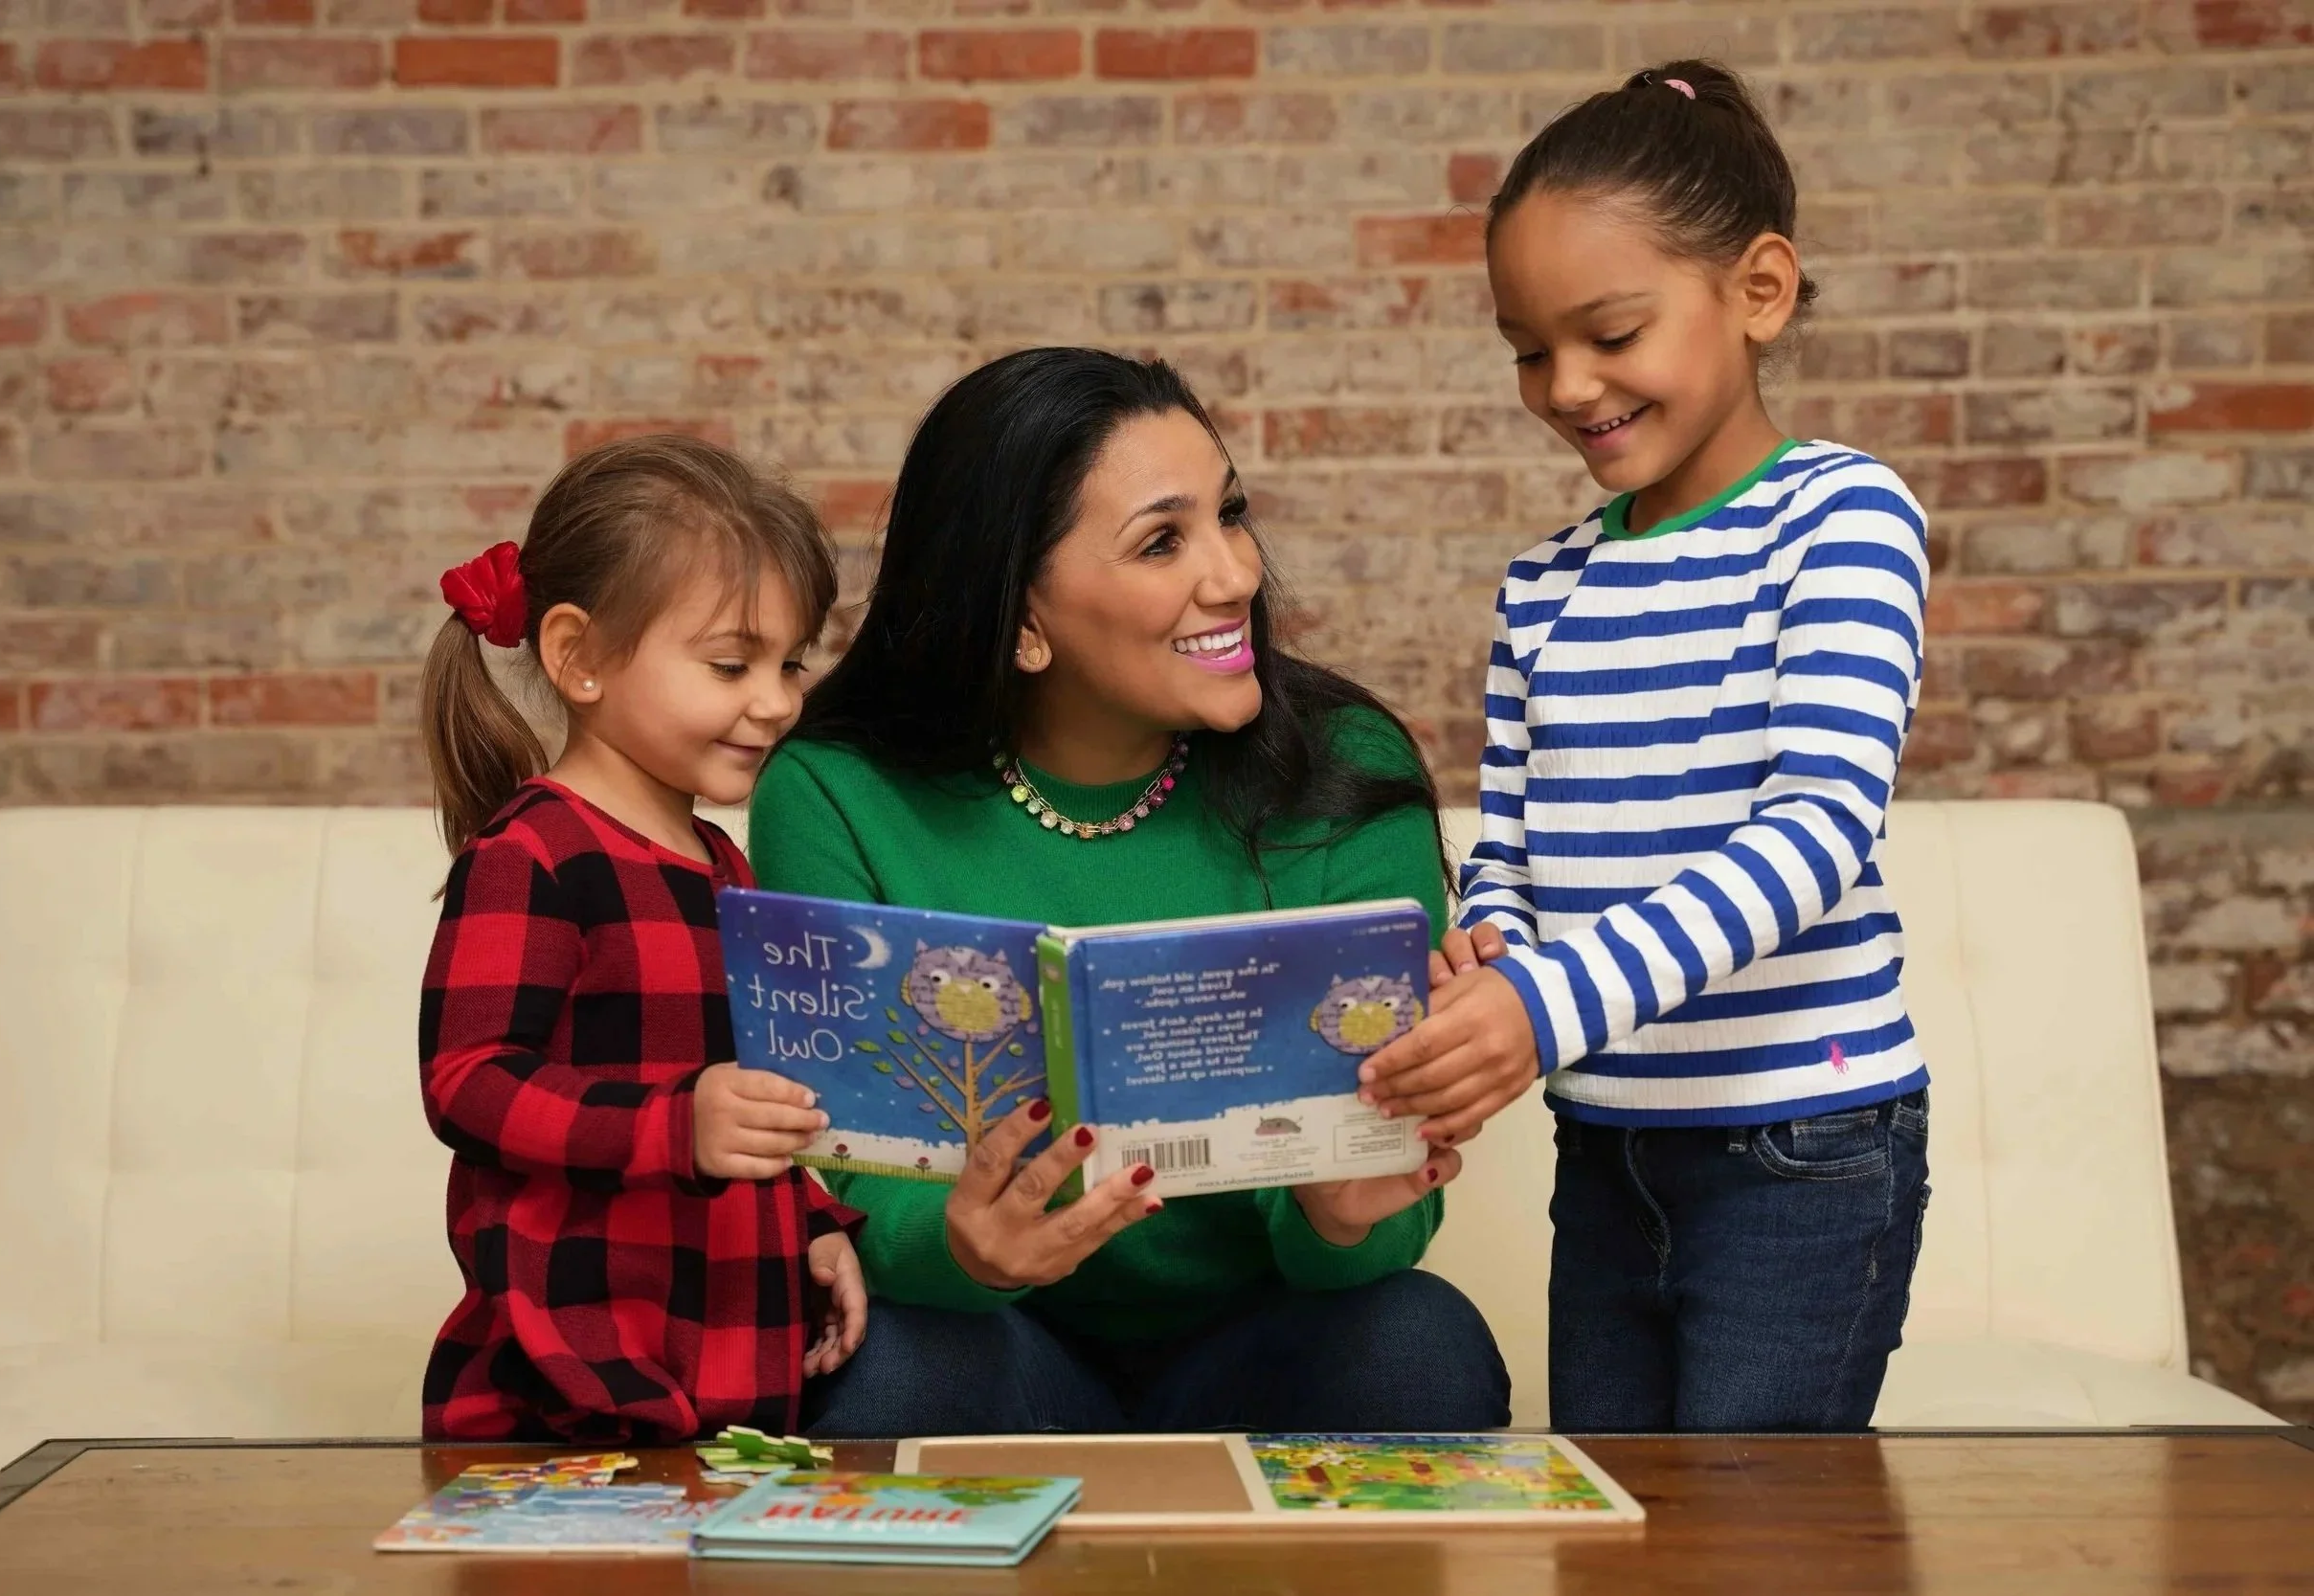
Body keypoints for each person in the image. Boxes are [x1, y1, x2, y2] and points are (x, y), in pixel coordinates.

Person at [751, 348, 1511, 1436]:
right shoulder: (836, 795)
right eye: (1163, 540)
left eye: (1228, 514)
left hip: (1258, 1340)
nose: (1235, 575)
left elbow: (1375, 1241)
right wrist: (966, 1244)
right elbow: (849, 1183)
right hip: (999, 1345)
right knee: (885, 1371)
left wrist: (1343, 1209)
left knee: (1417, 1343)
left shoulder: (1345, 775)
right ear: (1020, 617)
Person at [1361, 61, 1933, 1432]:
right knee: (1614, 1521)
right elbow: (1508, 843)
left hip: (1801, 1147)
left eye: (1611, 330)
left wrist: (1546, 1006)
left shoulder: (1842, 518)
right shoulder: (1543, 583)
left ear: (1761, 290)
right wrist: (1489, 944)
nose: (1568, 385)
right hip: (1608, 1142)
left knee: (1751, 1541)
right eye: (1527, 347)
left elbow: (1816, 831)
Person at [415, 435, 868, 1443]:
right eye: (729, 662)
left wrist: (815, 1221)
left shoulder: (723, 863)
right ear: (577, 656)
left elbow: (753, 1094)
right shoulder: (531, 853)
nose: (777, 700)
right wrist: (673, 1125)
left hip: (731, 1354)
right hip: (575, 1367)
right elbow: (469, 1079)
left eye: (789, 663)